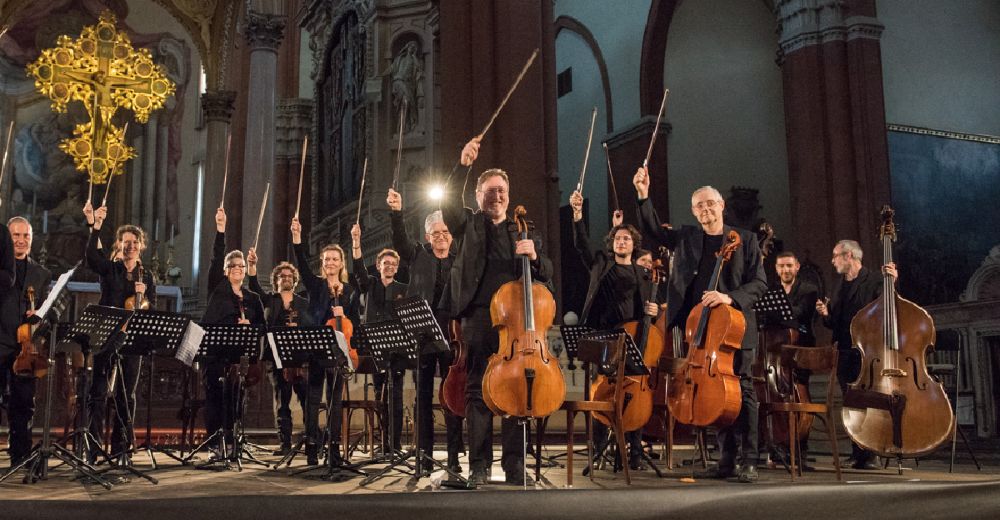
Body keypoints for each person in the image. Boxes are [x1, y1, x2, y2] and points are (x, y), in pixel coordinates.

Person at [633, 167, 767, 483]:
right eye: (699, 206)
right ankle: (726, 460)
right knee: (714, 391)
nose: (705, 209)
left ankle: (749, 459)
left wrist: (729, 297)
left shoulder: (744, 240)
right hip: (700, 328)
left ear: (721, 206)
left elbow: (760, 283)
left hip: (735, 327)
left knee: (743, 389)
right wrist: (643, 194)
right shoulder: (688, 237)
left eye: (710, 203)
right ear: (694, 212)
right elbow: (652, 229)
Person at [443, 137, 555, 486]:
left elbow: (547, 273)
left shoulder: (525, 230)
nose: (497, 196)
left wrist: (534, 256)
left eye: (501, 190)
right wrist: (462, 166)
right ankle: (478, 466)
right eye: (490, 191)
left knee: (516, 391)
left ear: (509, 193)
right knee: (477, 392)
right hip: (478, 316)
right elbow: (449, 207)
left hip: (518, 324)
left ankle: (515, 466)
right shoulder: (469, 225)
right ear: (479, 196)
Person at [568, 190, 657, 472]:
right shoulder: (601, 265)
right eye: (618, 238)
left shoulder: (643, 274)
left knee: (634, 391)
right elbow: (581, 245)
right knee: (601, 393)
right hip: (603, 336)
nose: (622, 241)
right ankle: (598, 448)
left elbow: (649, 309)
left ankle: (635, 454)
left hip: (632, 338)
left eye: (627, 238)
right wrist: (578, 216)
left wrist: (654, 312)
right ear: (612, 243)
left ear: (634, 245)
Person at [387, 188, 464, 473]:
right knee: (423, 398)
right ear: (427, 235)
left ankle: (455, 457)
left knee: (452, 397)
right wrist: (396, 213)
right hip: (424, 335)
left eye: (445, 231)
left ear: (451, 234)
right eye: (435, 232)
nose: (441, 236)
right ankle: (424, 456)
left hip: (454, 336)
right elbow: (400, 240)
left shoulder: (460, 258)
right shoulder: (417, 255)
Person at [82, 202, 156, 461]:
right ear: (120, 245)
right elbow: (91, 258)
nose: (131, 245)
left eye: (135, 242)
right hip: (107, 336)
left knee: (127, 395)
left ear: (141, 245)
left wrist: (142, 298)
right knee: (99, 392)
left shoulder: (147, 277)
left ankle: (122, 447)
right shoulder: (111, 269)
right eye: (126, 242)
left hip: (132, 340)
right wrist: (95, 227)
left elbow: (152, 308)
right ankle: (93, 447)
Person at [815, 239, 897, 470]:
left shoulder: (874, 279)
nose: (833, 261)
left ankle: (872, 454)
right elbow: (834, 322)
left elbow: (886, 307)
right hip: (844, 350)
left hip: (868, 350)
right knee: (851, 403)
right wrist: (825, 314)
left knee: (869, 400)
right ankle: (857, 453)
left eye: (835, 256)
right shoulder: (839, 284)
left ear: (848, 255)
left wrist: (891, 282)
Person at [290, 217, 360, 466]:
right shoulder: (316, 285)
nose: (330, 263)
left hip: (340, 349)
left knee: (335, 399)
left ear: (342, 263)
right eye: (327, 259)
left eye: (335, 259)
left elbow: (356, 323)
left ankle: (333, 448)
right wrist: (297, 239)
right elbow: (301, 264)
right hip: (317, 346)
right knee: (313, 396)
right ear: (322, 263)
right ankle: (311, 445)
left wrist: (345, 315)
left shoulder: (350, 292)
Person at [201, 208, 265, 456]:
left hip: (241, 358)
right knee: (216, 397)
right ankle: (215, 444)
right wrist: (221, 230)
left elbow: (263, 326)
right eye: (232, 265)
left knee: (236, 399)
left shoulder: (252, 298)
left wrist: (251, 327)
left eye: (241, 265)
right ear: (227, 271)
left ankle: (233, 441)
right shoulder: (217, 289)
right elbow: (216, 260)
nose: (237, 267)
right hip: (216, 355)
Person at [246, 250, 313, 458]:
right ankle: (285, 443)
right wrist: (252, 267)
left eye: (289, 276)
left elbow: (310, 325)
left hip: (300, 359)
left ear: (295, 280)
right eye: (282, 276)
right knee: (282, 401)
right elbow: (254, 286)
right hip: (276, 357)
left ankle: (312, 440)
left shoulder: (302, 302)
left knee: (307, 400)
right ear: (276, 280)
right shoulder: (270, 300)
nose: (286, 278)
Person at [350, 224, 408, 452]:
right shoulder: (370, 284)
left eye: (394, 264)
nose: (390, 267)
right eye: (386, 263)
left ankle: (394, 444)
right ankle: (382, 442)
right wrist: (356, 243)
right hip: (375, 349)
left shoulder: (404, 288)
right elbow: (358, 270)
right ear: (379, 266)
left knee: (397, 397)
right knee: (379, 396)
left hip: (397, 351)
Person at [0, 217, 46, 468]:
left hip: (26, 349)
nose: (20, 240)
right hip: (0, 340)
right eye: (15, 235)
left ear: (31, 239)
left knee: (24, 403)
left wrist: (39, 315)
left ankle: (21, 455)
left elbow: (51, 310)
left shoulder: (41, 273)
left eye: (25, 236)